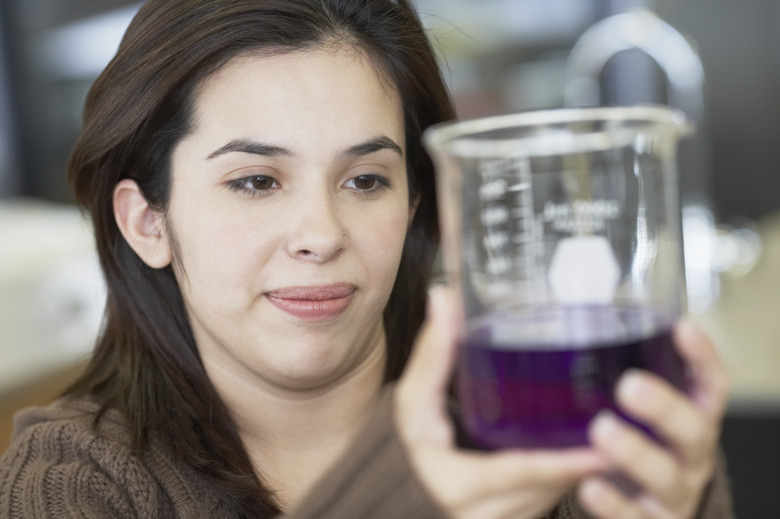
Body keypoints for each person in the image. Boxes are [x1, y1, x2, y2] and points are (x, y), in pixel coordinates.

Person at [0, 1, 733, 518]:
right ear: (147, 221)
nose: (321, 233)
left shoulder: (560, 414)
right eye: (255, 180)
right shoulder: (74, 482)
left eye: (365, 179)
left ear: (414, 203)